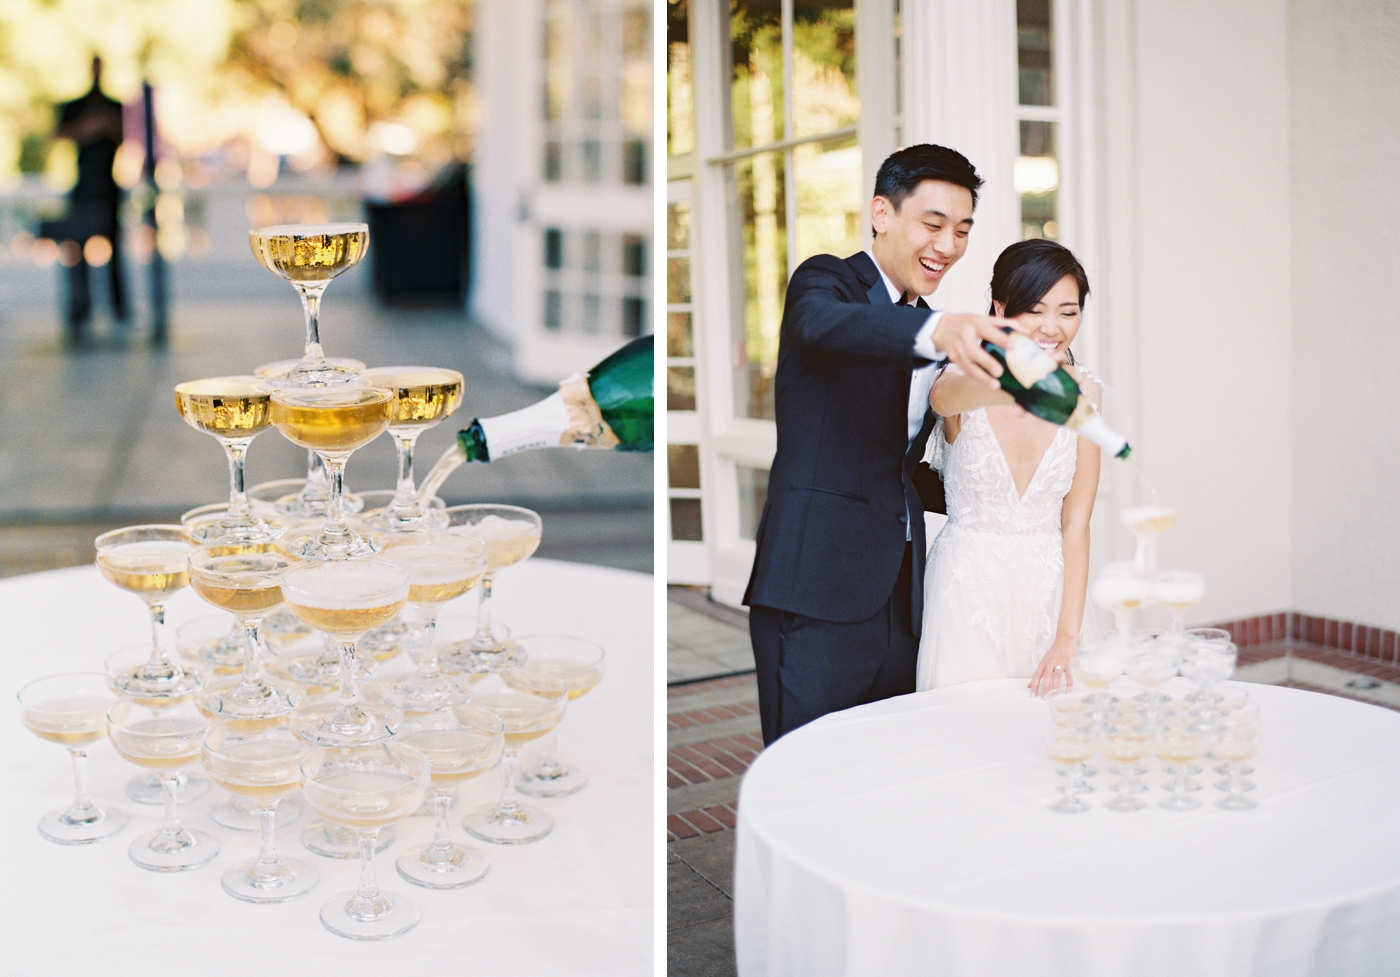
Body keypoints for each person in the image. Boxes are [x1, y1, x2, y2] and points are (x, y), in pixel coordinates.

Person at [743, 144, 1051, 745]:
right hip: (816, 588)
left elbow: (906, 462)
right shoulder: (828, 284)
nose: (948, 245)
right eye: (933, 224)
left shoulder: (936, 330)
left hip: (904, 594)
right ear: (882, 213)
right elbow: (821, 327)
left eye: (962, 230)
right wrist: (937, 330)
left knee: (885, 763)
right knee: (807, 766)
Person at [917, 239, 1101, 697]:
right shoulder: (960, 378)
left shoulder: (1086, 396)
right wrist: (1019, 381)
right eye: (1035, 310)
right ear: (1000, 308)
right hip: (966, 588)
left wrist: (1066, 636)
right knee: (964, 735)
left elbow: (1076, 524)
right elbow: (942, 400)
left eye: (1067, 311)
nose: (1052, 327)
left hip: (1048, 590)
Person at [54, 56, 127, 342]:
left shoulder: (113, 106)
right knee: (76, 255)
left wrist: (105, 127)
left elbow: (126, 135)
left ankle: (119, 311)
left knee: (115, 255)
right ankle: (79, 312)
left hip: (108, 189)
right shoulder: (76, 106)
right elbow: (60, 133)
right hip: (83, 189)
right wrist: (87, 129)